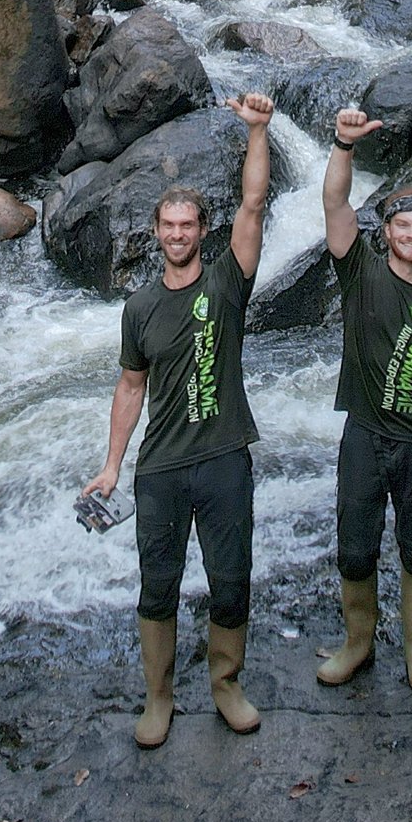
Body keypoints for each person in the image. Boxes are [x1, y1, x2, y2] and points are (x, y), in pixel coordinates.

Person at [82, 90, 276, 748]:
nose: (177, 235)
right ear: (156, 233)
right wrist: (111, 465)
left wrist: (257, 131)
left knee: (229, 579)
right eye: (168, 227)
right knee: (157, 584)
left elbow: (253, 204)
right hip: (160, 467)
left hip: (223, 456)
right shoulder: (138, 308)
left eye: (187, 225)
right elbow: (130, 386)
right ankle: (159, 698)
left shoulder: (226, 284)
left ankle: (227, 684)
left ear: (202, 230)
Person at [310, 108, 412, 691]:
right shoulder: (361, 273)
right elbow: (334, 205)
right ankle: (357, 644)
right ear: (387, 233)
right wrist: (342, 146)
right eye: (402, 226)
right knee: (355, 549)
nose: (410, 235)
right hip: (363, 435)